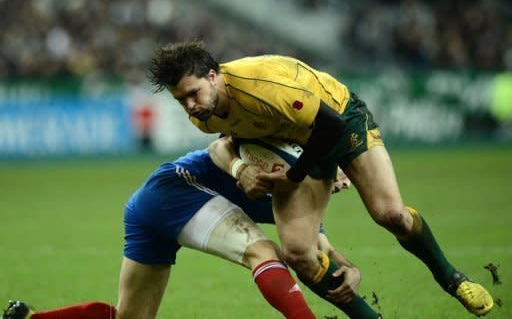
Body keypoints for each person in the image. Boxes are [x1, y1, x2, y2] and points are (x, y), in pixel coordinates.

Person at [148, 40, 494, 317]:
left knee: (389, 214)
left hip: (343, 121)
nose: (190, 105)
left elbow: (331, 125)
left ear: (213, 76)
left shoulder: (261, 85)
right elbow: (232, 139)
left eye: (193, 94)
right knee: (298, 254)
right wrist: (244, 169)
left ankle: (451, 278)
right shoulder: (204, 116)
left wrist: (304, 174)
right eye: (181, 100)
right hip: (297, 142)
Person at [2, 148, 368, 319]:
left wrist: (347, 267)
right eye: (340, 176)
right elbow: (227, 144)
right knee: (264, 252)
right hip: (176, 189)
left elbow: (315, 248)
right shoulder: (278, 162)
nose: (343, 184)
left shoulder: (305, 202)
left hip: (146, 205)